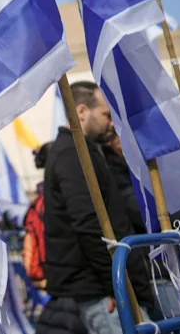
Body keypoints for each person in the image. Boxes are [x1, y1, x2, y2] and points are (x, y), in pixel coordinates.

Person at [42, 81, 153, 334]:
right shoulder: (71, 153)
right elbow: (89, 223)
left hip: (106, 287)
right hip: (104, 293)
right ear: (81, 112)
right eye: (105, 115)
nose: (110, 123)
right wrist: (115, 285)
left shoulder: (83, 150)